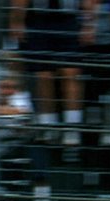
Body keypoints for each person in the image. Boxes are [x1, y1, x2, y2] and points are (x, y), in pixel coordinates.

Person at [10, 0, 97, 148]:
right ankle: (48, 125)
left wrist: (89, 24)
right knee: (43, 75)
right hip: (37, 19)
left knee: (71, 73)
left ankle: (72, 127)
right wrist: (16, 20)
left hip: (69, 18)